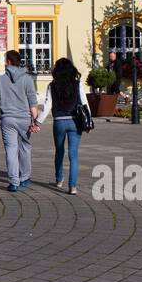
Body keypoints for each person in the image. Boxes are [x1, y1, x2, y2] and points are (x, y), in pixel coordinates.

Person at [0, 49, 41, 192]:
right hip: (24, 119)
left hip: (7, 119)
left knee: (11, 150)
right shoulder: (27, 79)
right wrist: (35, 122)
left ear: (9, 62)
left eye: (6, 60)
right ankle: (25, 177)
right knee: (25, 147)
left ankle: (14, 182)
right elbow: (32, 101)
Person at [42, 58, 89, 194]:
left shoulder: (52, 85)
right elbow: (85, 104)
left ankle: (59, 179)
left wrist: (37, 122)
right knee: (73, 155)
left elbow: (47, 106)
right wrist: (88, 123)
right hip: (75, 122)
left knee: (59, 151)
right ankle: (72, 186)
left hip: (59, 122)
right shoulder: (77, 84)